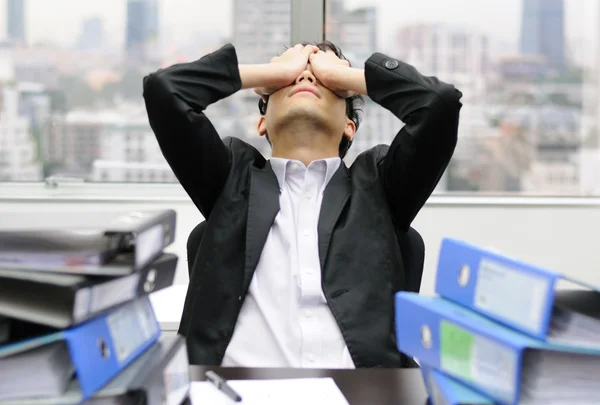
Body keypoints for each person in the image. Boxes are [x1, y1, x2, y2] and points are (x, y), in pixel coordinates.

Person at [143, 41, 462, 369]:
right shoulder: (231, 179)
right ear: (262, 122)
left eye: (326, 83)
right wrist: (270, 73)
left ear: (349, 127)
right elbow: (165, 90)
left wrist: (343, 74)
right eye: (291, 78)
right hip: (233, 390)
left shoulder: (379, 186)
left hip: (362, 392)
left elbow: (439, 104)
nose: (306, 79)